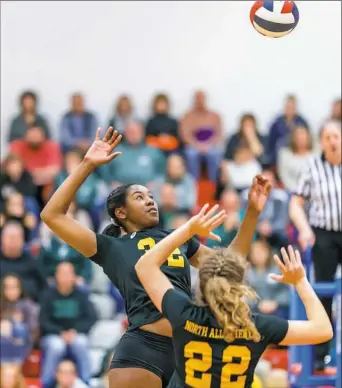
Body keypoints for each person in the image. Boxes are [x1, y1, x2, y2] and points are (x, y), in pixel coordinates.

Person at [40, 126, 271, 388]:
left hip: (186, 348)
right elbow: (52, 215)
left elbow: (231, 268)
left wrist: (251, 213)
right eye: (140, 197)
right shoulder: (110, 246)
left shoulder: (179, 237)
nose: (151, 201)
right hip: (141, 349)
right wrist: (87, 164)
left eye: (151, 196)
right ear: (121, 213)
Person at [135, 204, 333, 388]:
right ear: (240, 285)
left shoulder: (183, 313)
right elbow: (323, 329)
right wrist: (300, 282)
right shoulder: (256, 327)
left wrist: (187, 230)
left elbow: (144, 266)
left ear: (202, 283)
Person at [289, 119, 341, 370]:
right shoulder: (312, 167)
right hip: (324, 235)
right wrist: (304, 228)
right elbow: (295, 204)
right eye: (327, 137)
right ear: (321, 141)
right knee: (322, 295)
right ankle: (319, 360)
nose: (332, 141)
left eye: (336, 136)